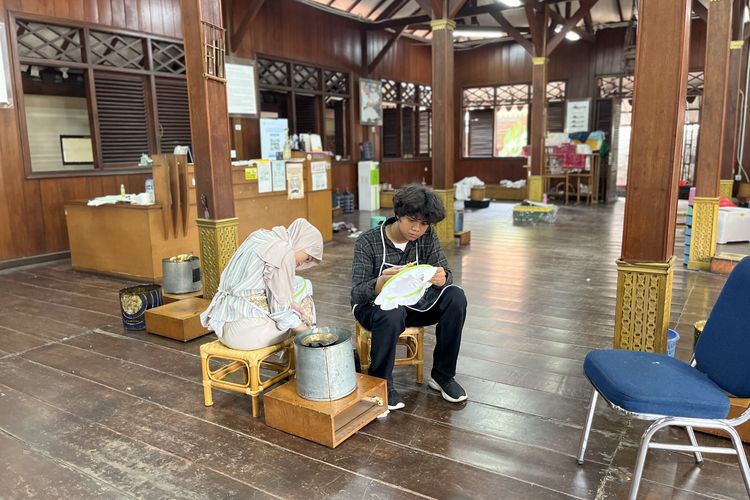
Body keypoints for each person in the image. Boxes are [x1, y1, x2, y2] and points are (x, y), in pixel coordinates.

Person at [351, 184, 467, 410]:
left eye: (424, 224)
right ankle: (382, 381)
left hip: (414, 305)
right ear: (398, 214)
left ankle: (443, 376)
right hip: (374, 309)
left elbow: (445, 272)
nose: (417, 229)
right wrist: (381, 282)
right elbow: (356, 293)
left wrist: (443, 277)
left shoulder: (426, 236)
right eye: (412, 220)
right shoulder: (368, 241)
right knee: (392, 312)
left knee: (456, 297)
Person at [201, 218, 323, 351]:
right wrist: (307, 331)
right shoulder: (284, 252)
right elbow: (281, 313)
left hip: (221, 327)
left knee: (296, 290)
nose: (303, 263)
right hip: (245, 335)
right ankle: (302, 364)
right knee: (300, 316)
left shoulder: (259, 235)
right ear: (303, 243)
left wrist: (290, 304)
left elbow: (255, 287)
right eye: (307, 258)